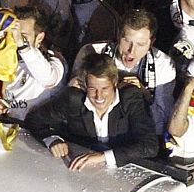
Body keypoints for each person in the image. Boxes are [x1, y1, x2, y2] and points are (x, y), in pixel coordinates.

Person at [25, 53, 159, 171]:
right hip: (80, 171)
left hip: (122, 171)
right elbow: (34, 120)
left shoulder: (130, 99)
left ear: (114, 83)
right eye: (92, 89)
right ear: (84, 85)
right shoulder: (73, 100)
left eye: (105, 88)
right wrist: (52, 139)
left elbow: (150, 146)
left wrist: (102, 157)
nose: (99, 96)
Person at [73, 8, 176, 137]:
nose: (131, 51)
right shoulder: (91, 52)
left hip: (138, 138)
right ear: (118, 35)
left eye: (141, 44)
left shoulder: (163, 65)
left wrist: (145, 96)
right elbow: (73, 103)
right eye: (127, 41)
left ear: (151, 43)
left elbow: (162, 121)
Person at [0, 5, 67, 121]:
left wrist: (23, 45)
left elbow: (49, 79)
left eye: (23, 36)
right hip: (5, 125)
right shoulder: (1, 59)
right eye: (11, 34)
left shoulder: (53, 60)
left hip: (37, 129)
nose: (14, 40)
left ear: (39, 38)